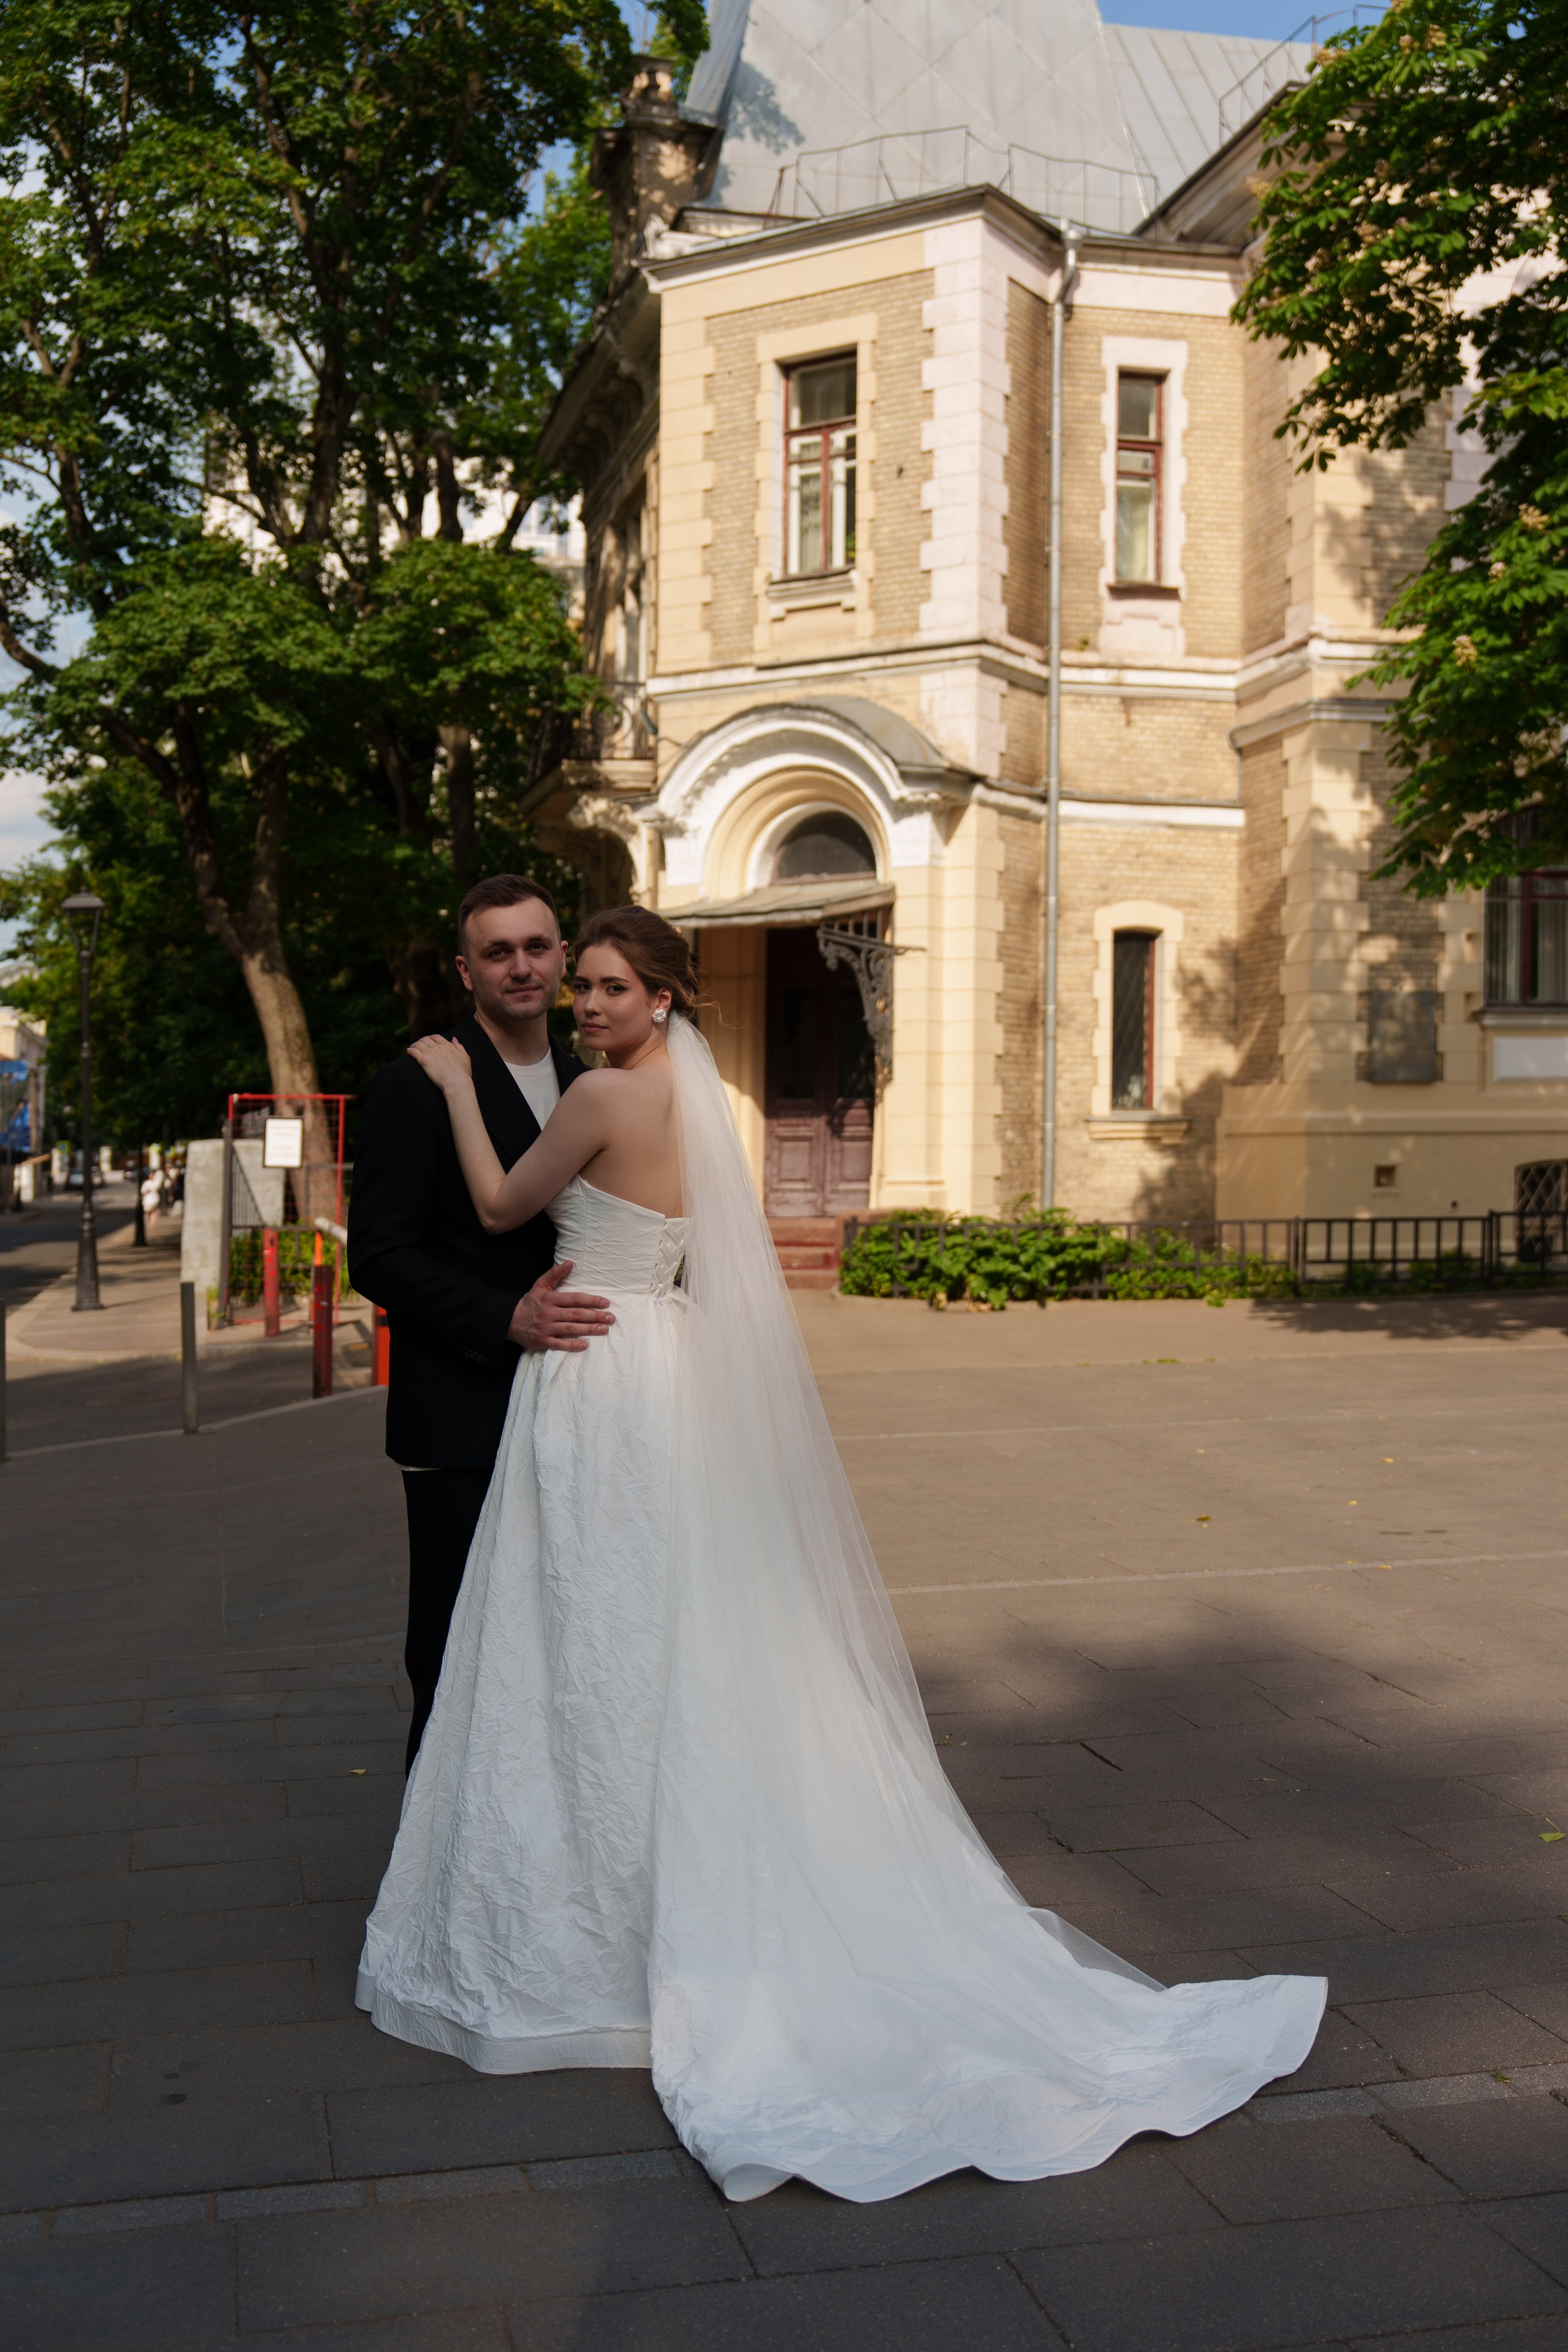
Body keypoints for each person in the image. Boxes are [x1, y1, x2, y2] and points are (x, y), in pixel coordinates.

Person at [358, 905, 1325, 2205]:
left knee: (588, 1630)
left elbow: (494, 1198)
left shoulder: (596, 1095)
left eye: (602, 984)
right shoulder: (701, 1103)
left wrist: (446, 1088)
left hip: (597, 1374)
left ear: (657, 998)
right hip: (668, 1366)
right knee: (654, 1628)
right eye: (570, 982)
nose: (580, 1001)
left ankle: (598, 1918)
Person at [348, 876, 612, 1773]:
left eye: (537, 947)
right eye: (497, 952)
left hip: (582, 1407)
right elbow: (378, 1254)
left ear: (565, 958)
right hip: (462, 1413)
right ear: (467, 970)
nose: (521, 966)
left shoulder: (592, 1084)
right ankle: (434, 1889)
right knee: (454, 1649)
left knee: (566, 1646)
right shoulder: (414, 1084)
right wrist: (504, 1316)